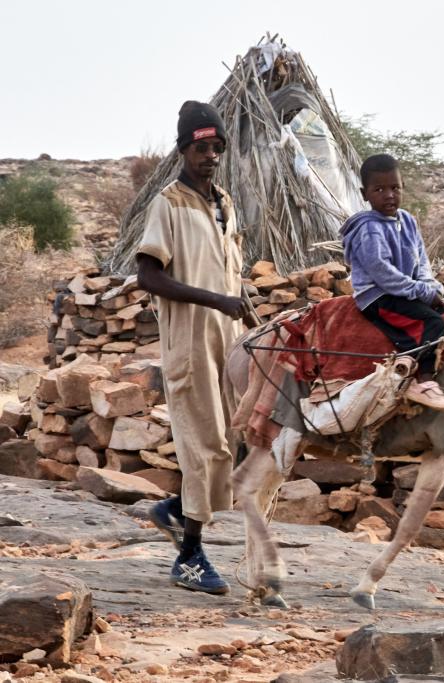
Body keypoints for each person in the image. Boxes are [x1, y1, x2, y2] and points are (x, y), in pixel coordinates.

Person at [137, 101, 245, 595]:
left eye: (217, 147)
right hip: (190, 339)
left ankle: (176, 511)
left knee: (228, 441)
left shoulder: (224, 202)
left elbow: (226, 269)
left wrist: (235, 301)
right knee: (203, 444)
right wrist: (215, 300)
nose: (210, 155)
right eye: (201, 147)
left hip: (228, 340)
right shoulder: (169, 203)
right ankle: (190, 558)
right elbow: (149, 274)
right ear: (184, 150)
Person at [341, 154, 444, 411]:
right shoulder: (368, 228)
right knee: (430, 322)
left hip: (406, 293)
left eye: (395, 188)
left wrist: (430, 287)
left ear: (402, 187)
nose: (389, 195)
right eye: (379, 189)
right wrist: (421, 292)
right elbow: (382, 273)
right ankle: (421, 381)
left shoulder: (407, 220)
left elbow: (420, 260)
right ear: (365, 194)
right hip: (379, 296)